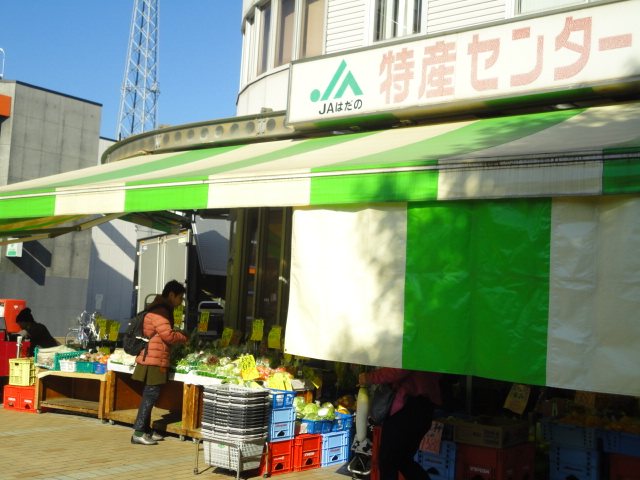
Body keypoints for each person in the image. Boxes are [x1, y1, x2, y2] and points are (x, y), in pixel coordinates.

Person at [131, 280, 188, 445]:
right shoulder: (160, 311)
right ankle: (139, 432)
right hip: (153, 358)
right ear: (171, 295)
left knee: (150, 394)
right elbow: (168, 335)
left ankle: (146, 430)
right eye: (179, 298)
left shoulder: (159, 308)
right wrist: (184, 337)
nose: (180, 303)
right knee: (151, 394)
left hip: (153, 357)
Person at [359, 367, 442, 480]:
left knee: (388, 461)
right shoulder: (431, 352)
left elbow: (398, 371)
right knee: (403, 460)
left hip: (408, 408)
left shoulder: (414, 350)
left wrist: (370, 377)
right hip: (424, 408)